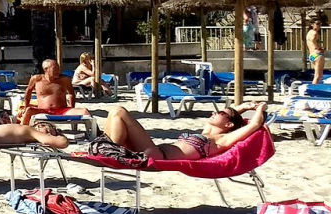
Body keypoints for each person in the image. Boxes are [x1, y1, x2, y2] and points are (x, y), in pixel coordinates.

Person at [100, 103, 268, 161]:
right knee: (114, 115)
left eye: (220, 113)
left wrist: (260, 108)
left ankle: (112, 151)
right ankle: (111, 149)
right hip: (152, 150)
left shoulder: (220, 141)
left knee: (119, 111)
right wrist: (244, 107)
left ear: (229, 125)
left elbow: (254, 124)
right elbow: (229, 115)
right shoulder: (208, 133)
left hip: (155, 155)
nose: (214, 113)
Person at [17, 59, 86, 124]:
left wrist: (71, 107)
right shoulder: (36, 79)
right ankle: (23, 132)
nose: (58, 71)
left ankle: (96, 133)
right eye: (55, 69)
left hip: (62, 110)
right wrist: (26, 106)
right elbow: (28, 92)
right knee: (28, 110)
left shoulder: (65, 79)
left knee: (84, 111)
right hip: (42, 110)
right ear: (46, 69)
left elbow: (71, 93)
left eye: (58, 68)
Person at [308, 13, 324, 85]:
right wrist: (318, 48)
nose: (319, 26)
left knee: (316, 75)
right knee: (318, 75)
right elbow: (313, 40)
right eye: (317, 24)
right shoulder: (314, 33)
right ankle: (314, 90)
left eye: (320, 24)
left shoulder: (309, 32)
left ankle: (313, 88)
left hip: (312, 55)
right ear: (312, 24)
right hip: (317, 54)